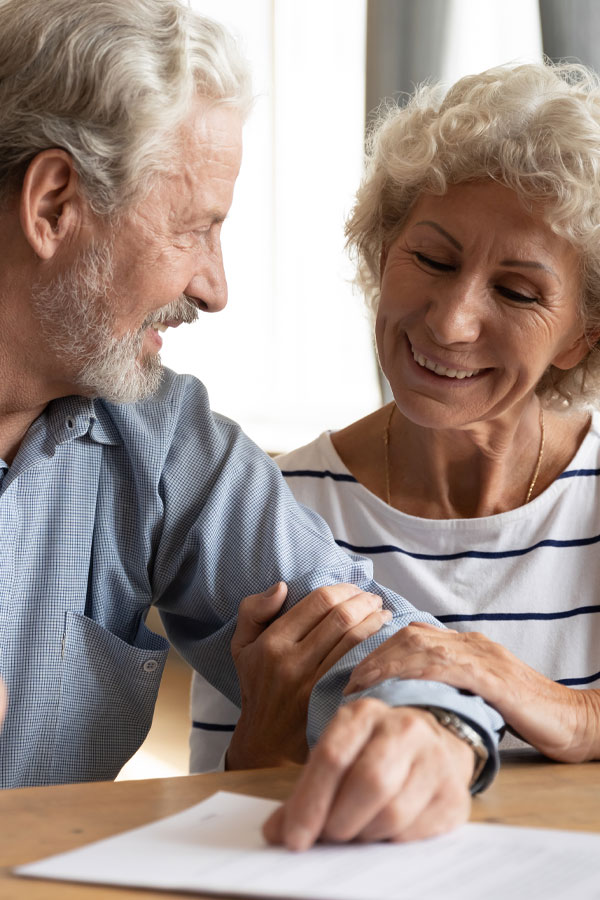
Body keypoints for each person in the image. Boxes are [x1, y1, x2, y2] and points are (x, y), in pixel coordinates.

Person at [0, 0, 503, 848]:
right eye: (193, 228)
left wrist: (432, 736)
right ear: (53, 204)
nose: (214, 287)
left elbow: (373, 634)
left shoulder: (158, 437)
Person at [191, 59, 600, 772]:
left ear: (582, 334)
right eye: (433, 260)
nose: (451, 323)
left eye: (517, 292)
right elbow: (217, 831)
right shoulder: (273, 510)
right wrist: (271, 732)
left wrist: (548, 701)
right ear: (383, 253)